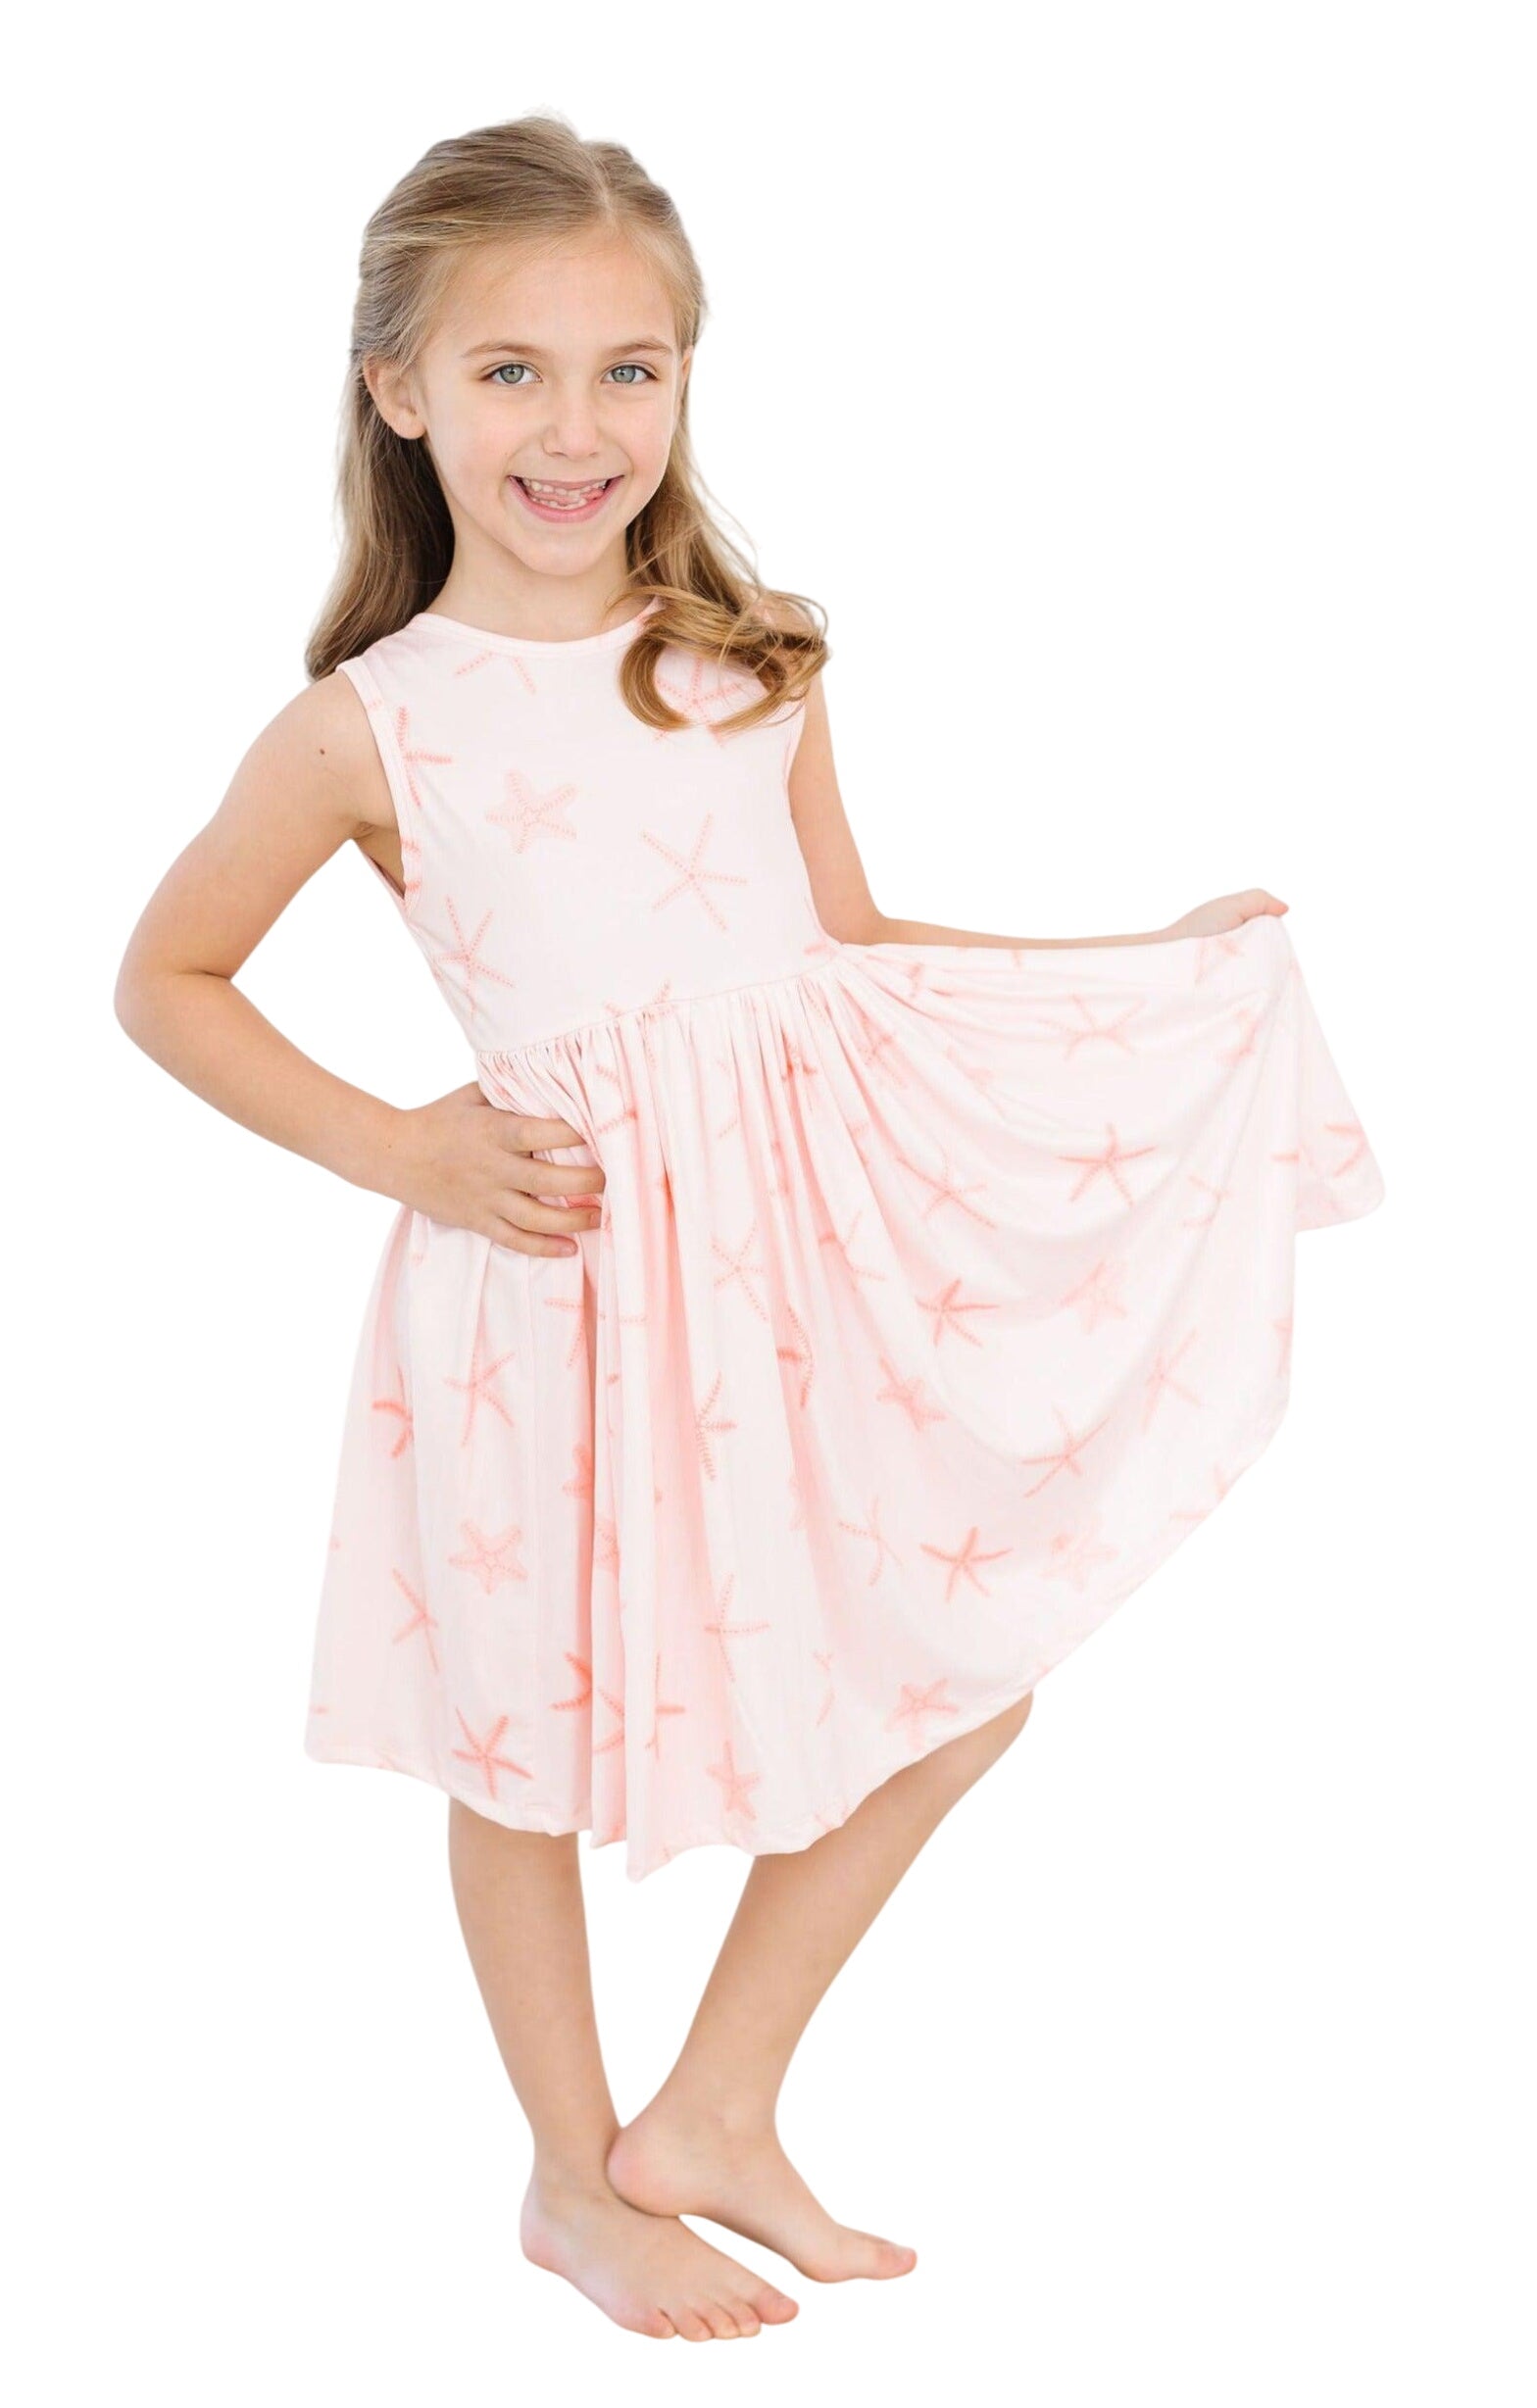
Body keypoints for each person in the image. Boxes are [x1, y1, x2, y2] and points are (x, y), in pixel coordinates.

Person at [113, 111, 1385, 2343]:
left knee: (956, 1674)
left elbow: (846, 945)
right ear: (398, 389)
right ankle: (569, 2175)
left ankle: (709, 2108)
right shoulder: (366, 727)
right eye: (509, 371)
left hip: (786, 1279)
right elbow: (167, 980)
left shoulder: (749, 657)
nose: (575, 426)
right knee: (518, 1738)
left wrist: (1143, 960)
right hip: (552, 1281)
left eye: (630, 367)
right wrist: (400, 1144)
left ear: (686, 378)